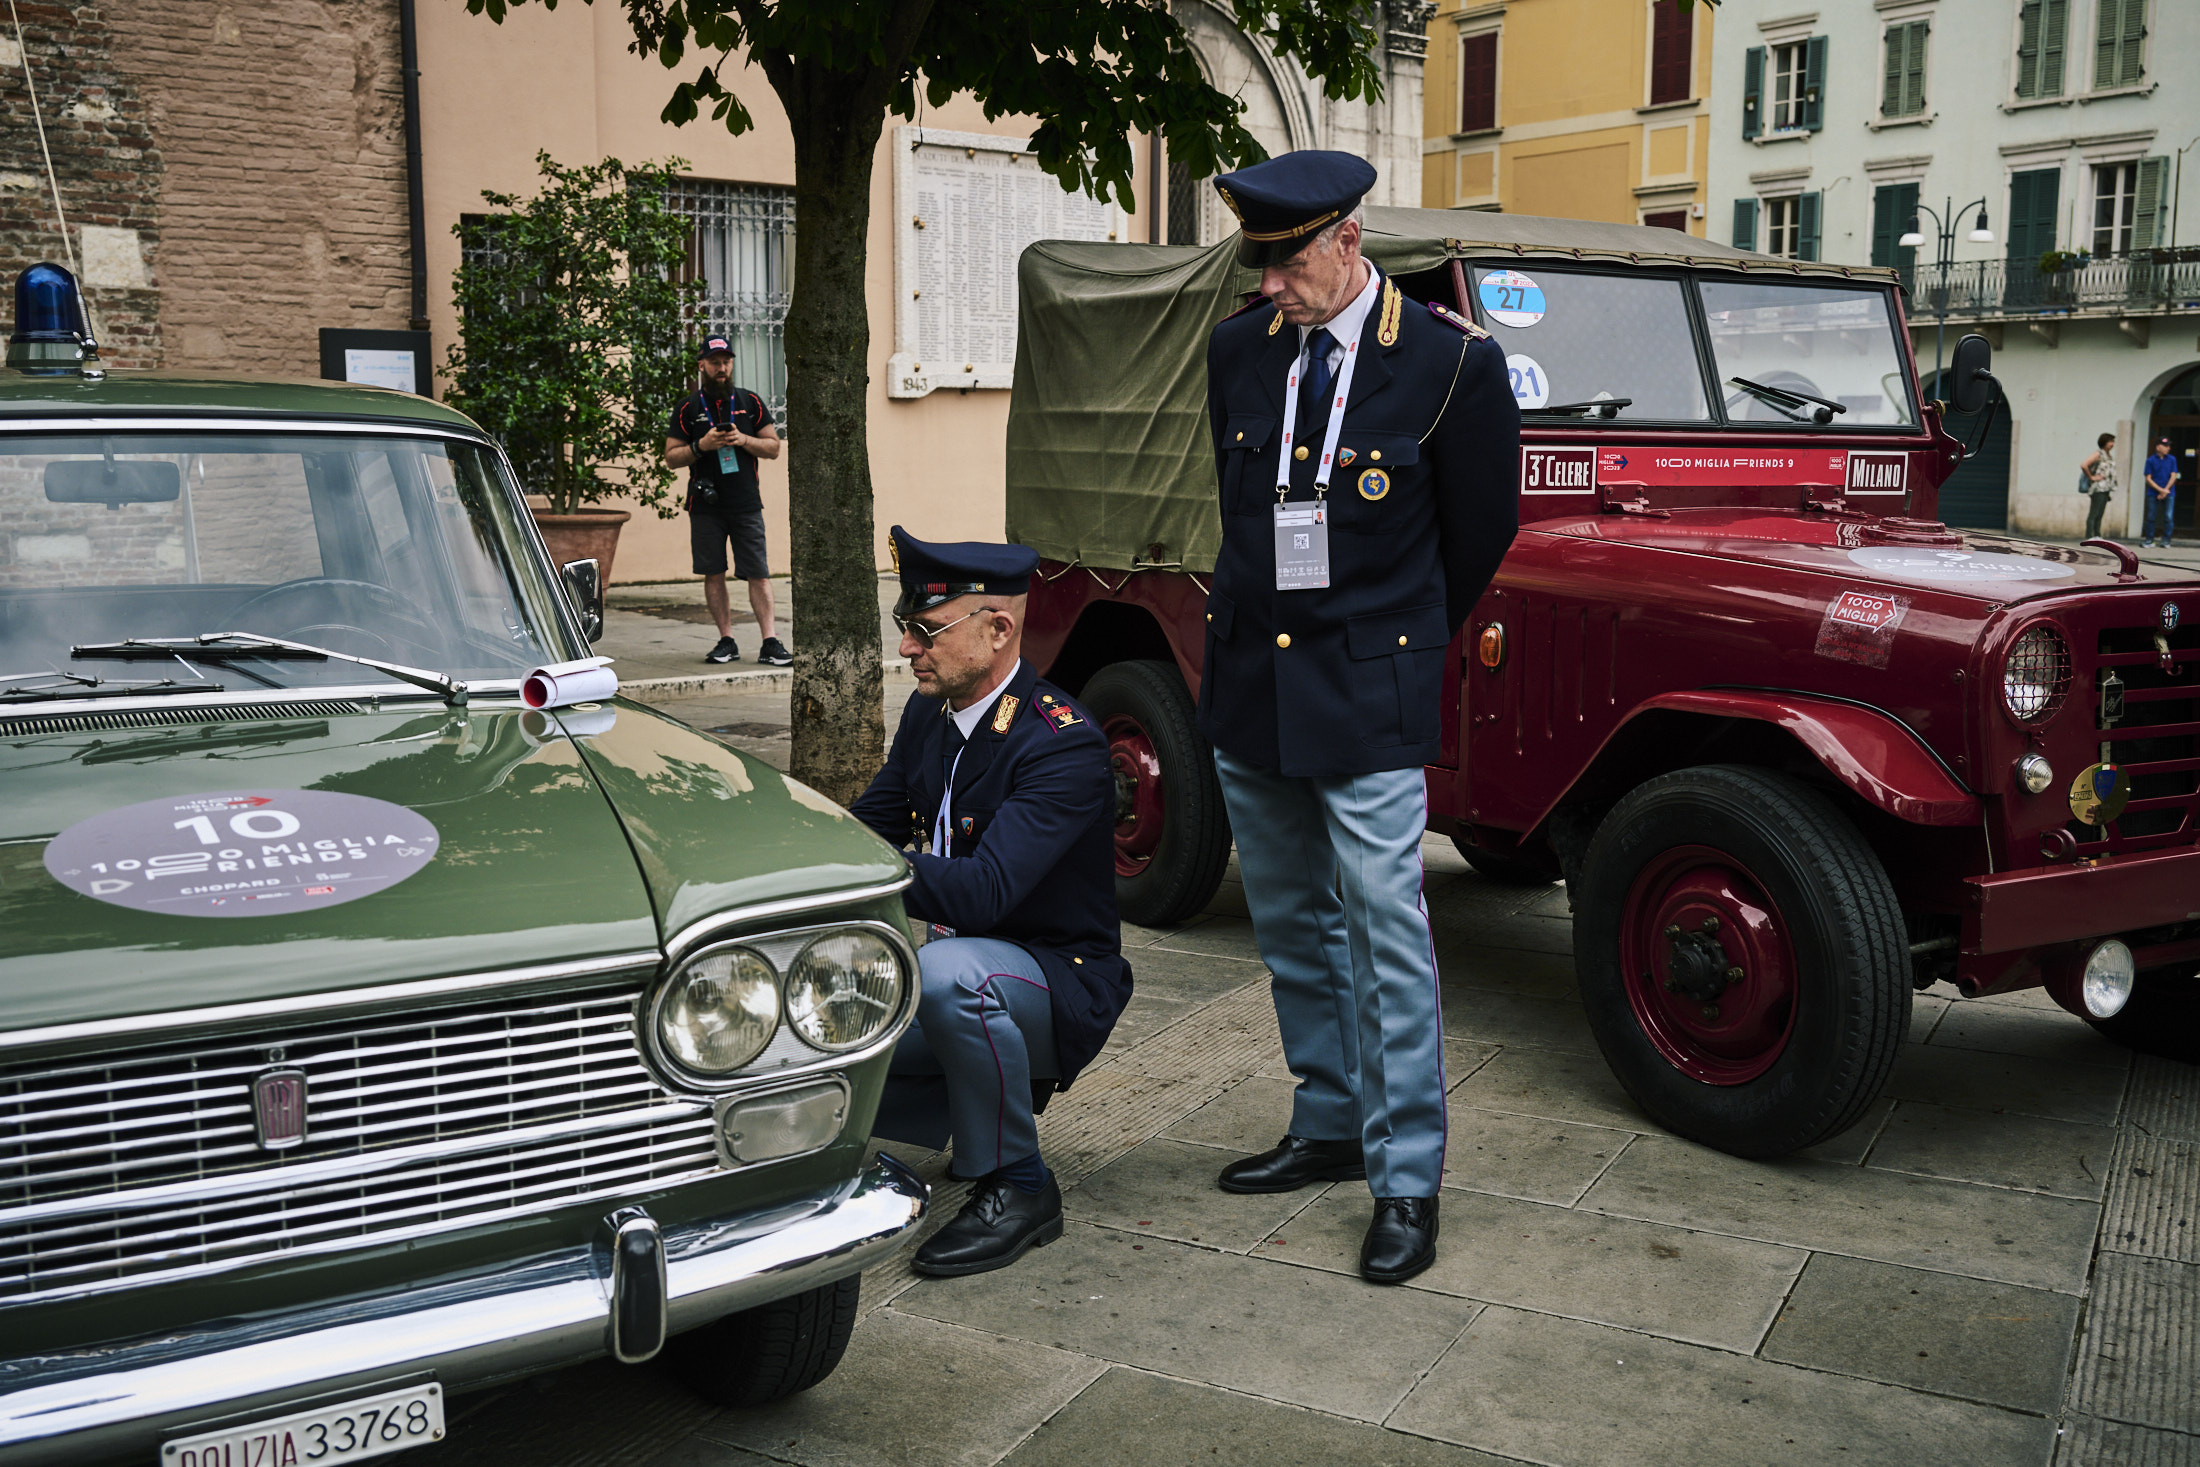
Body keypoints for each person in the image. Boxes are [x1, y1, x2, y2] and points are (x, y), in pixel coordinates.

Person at [1197, 151, 1519, 1284]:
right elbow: (1242, 514)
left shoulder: (1447, 365)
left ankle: (1407, 1177)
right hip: (1253, 683)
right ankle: (1328, 1122)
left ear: (1348, 240)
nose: (1271, 286)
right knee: (1289, 922)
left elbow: (1473, 542)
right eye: (1262, 265)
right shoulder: (1238, 348)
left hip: (1370, 689)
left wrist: (1390, 636)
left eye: (1286, 264)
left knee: (1386, 927)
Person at [849, 527, 1130, 1277]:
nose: (908, 648)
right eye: (904, 627)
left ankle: (1020, 1182)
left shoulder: (1060, 742)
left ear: (998, 629)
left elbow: (985, 893)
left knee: (946, 977)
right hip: (961, 966)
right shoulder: (928, 714)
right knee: (826, 1017)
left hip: (1056, 978)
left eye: (925, 630)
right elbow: (865, 828)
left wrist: (863, 865)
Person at [664, 337, 792, 666]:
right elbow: (671, 457)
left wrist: (743, 438)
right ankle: (726, 640)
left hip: (746, 503)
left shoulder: (749, 402)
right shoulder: (688, 407)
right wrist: (701, 445)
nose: (722, 368)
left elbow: (774, 448)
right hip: (705, 505)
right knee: (713, 572)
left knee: (758, 573)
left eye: (726, 361)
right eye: (715, 361)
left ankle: (770, 641)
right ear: (701, 366)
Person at [2143, 436, 2180, 548]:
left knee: (2168, 516)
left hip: (2169, 492)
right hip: (2153, 492)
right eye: (2165, 446)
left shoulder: (2172, 459)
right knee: (2151, 516)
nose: (2167, 448)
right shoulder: (2150, 460)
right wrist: (2160, 490)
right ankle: (2149, 539)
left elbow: (2174, 475)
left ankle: (2166, 540)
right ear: (2158, 447)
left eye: (2168, 446)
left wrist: (2165, 490)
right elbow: (2148, 478)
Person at [2081, 432, 2117, 542]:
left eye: (2113, 442)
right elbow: (2084, 464)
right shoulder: (2098, 454)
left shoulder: (2108, 455)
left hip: (2106, 488)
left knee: (2100, 513)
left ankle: (2097, 534)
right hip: (2098, 488)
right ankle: (2090, 535)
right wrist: (2092, 477)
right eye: (2110, 441)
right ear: (2104, 442)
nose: (2112, 444)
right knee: (2094, 512)